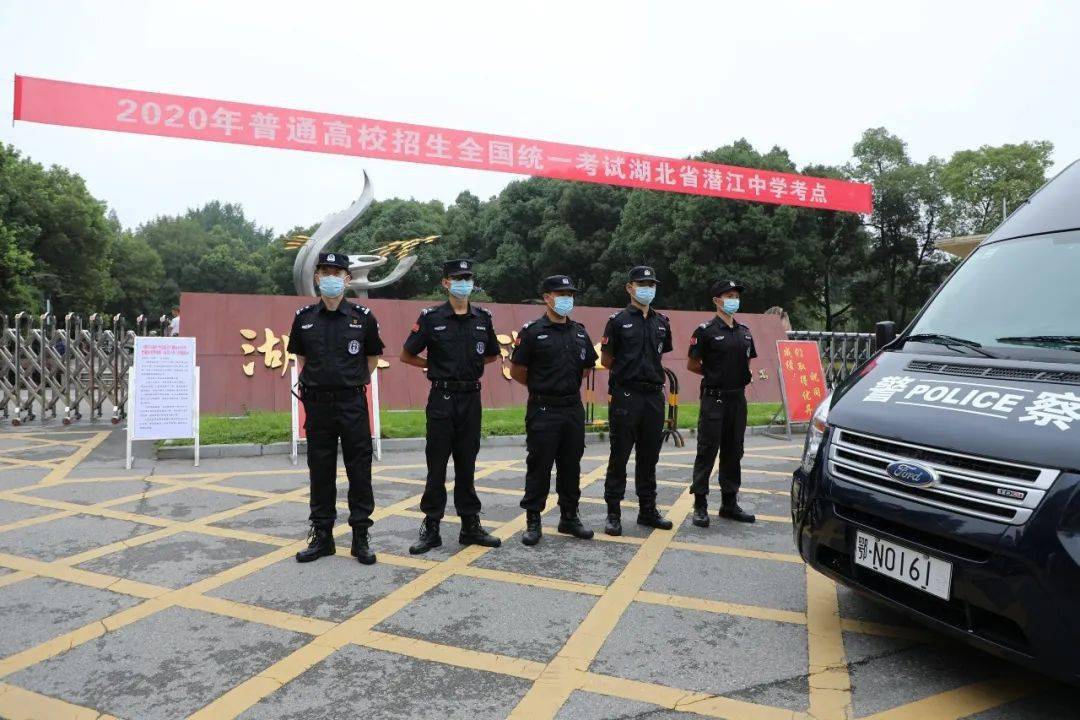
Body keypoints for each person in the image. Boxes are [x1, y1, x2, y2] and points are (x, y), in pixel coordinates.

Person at [286, 252, 385, 565]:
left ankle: (360, 536)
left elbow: (371, 358)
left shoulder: (363, 316)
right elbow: (301, 359)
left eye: (337, 272)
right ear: (317, 278)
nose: (331, 277)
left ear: (347, 279)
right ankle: (323, 536)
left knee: (359, 469)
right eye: (325, 272)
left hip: (351, 402)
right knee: (320, 469)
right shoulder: (304, 318)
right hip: (317, 404)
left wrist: (349, 382)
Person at [400, 259, 502, 554]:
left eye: (468, 277)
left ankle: (470, 525)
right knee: (437, 465)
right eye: (458, 278)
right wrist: (435, 367)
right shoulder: (431, 317)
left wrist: (466, 367)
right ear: (445, 283)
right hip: (442, 399)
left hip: (471, 397)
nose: (464, 282)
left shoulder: (482, 318)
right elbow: (407, 354)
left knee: (467, 463)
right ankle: (431, 527)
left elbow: (492, 355)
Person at [509, 275, 598, 546]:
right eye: (561, 293)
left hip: (572, 407)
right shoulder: (533, 331)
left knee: (571, 465)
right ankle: (533, 521)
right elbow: (518, 371)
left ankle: (569, 517)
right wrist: (542, 388)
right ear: (547, 297)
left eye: (570, 293)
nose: (566, 298)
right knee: (540, 465)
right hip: (543, 408)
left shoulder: (580, 332)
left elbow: (586, 368)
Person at [599, 265, 675, 535]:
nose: (647, 289)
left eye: (651, 284)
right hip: (626, 395)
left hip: (653, 396)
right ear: (629, 288)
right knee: (619, 455)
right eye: (642, 284)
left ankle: (647, 510)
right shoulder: (618, 321)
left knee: (649, 456)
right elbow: (607, 359)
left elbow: (660, 355)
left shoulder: (661, 322)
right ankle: (613, 512)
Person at [687, 279, 757, 526]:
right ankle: (700, 504)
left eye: (736, 295)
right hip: (714, 399)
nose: (733, 299)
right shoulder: (705, 331)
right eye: (728, 295)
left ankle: (729, 503)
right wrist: (715, 375)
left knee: (734, 451)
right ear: (717, 300)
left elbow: (747, 363)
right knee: (707, 451)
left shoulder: (744, 332)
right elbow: (693, 364)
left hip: (737, 400)